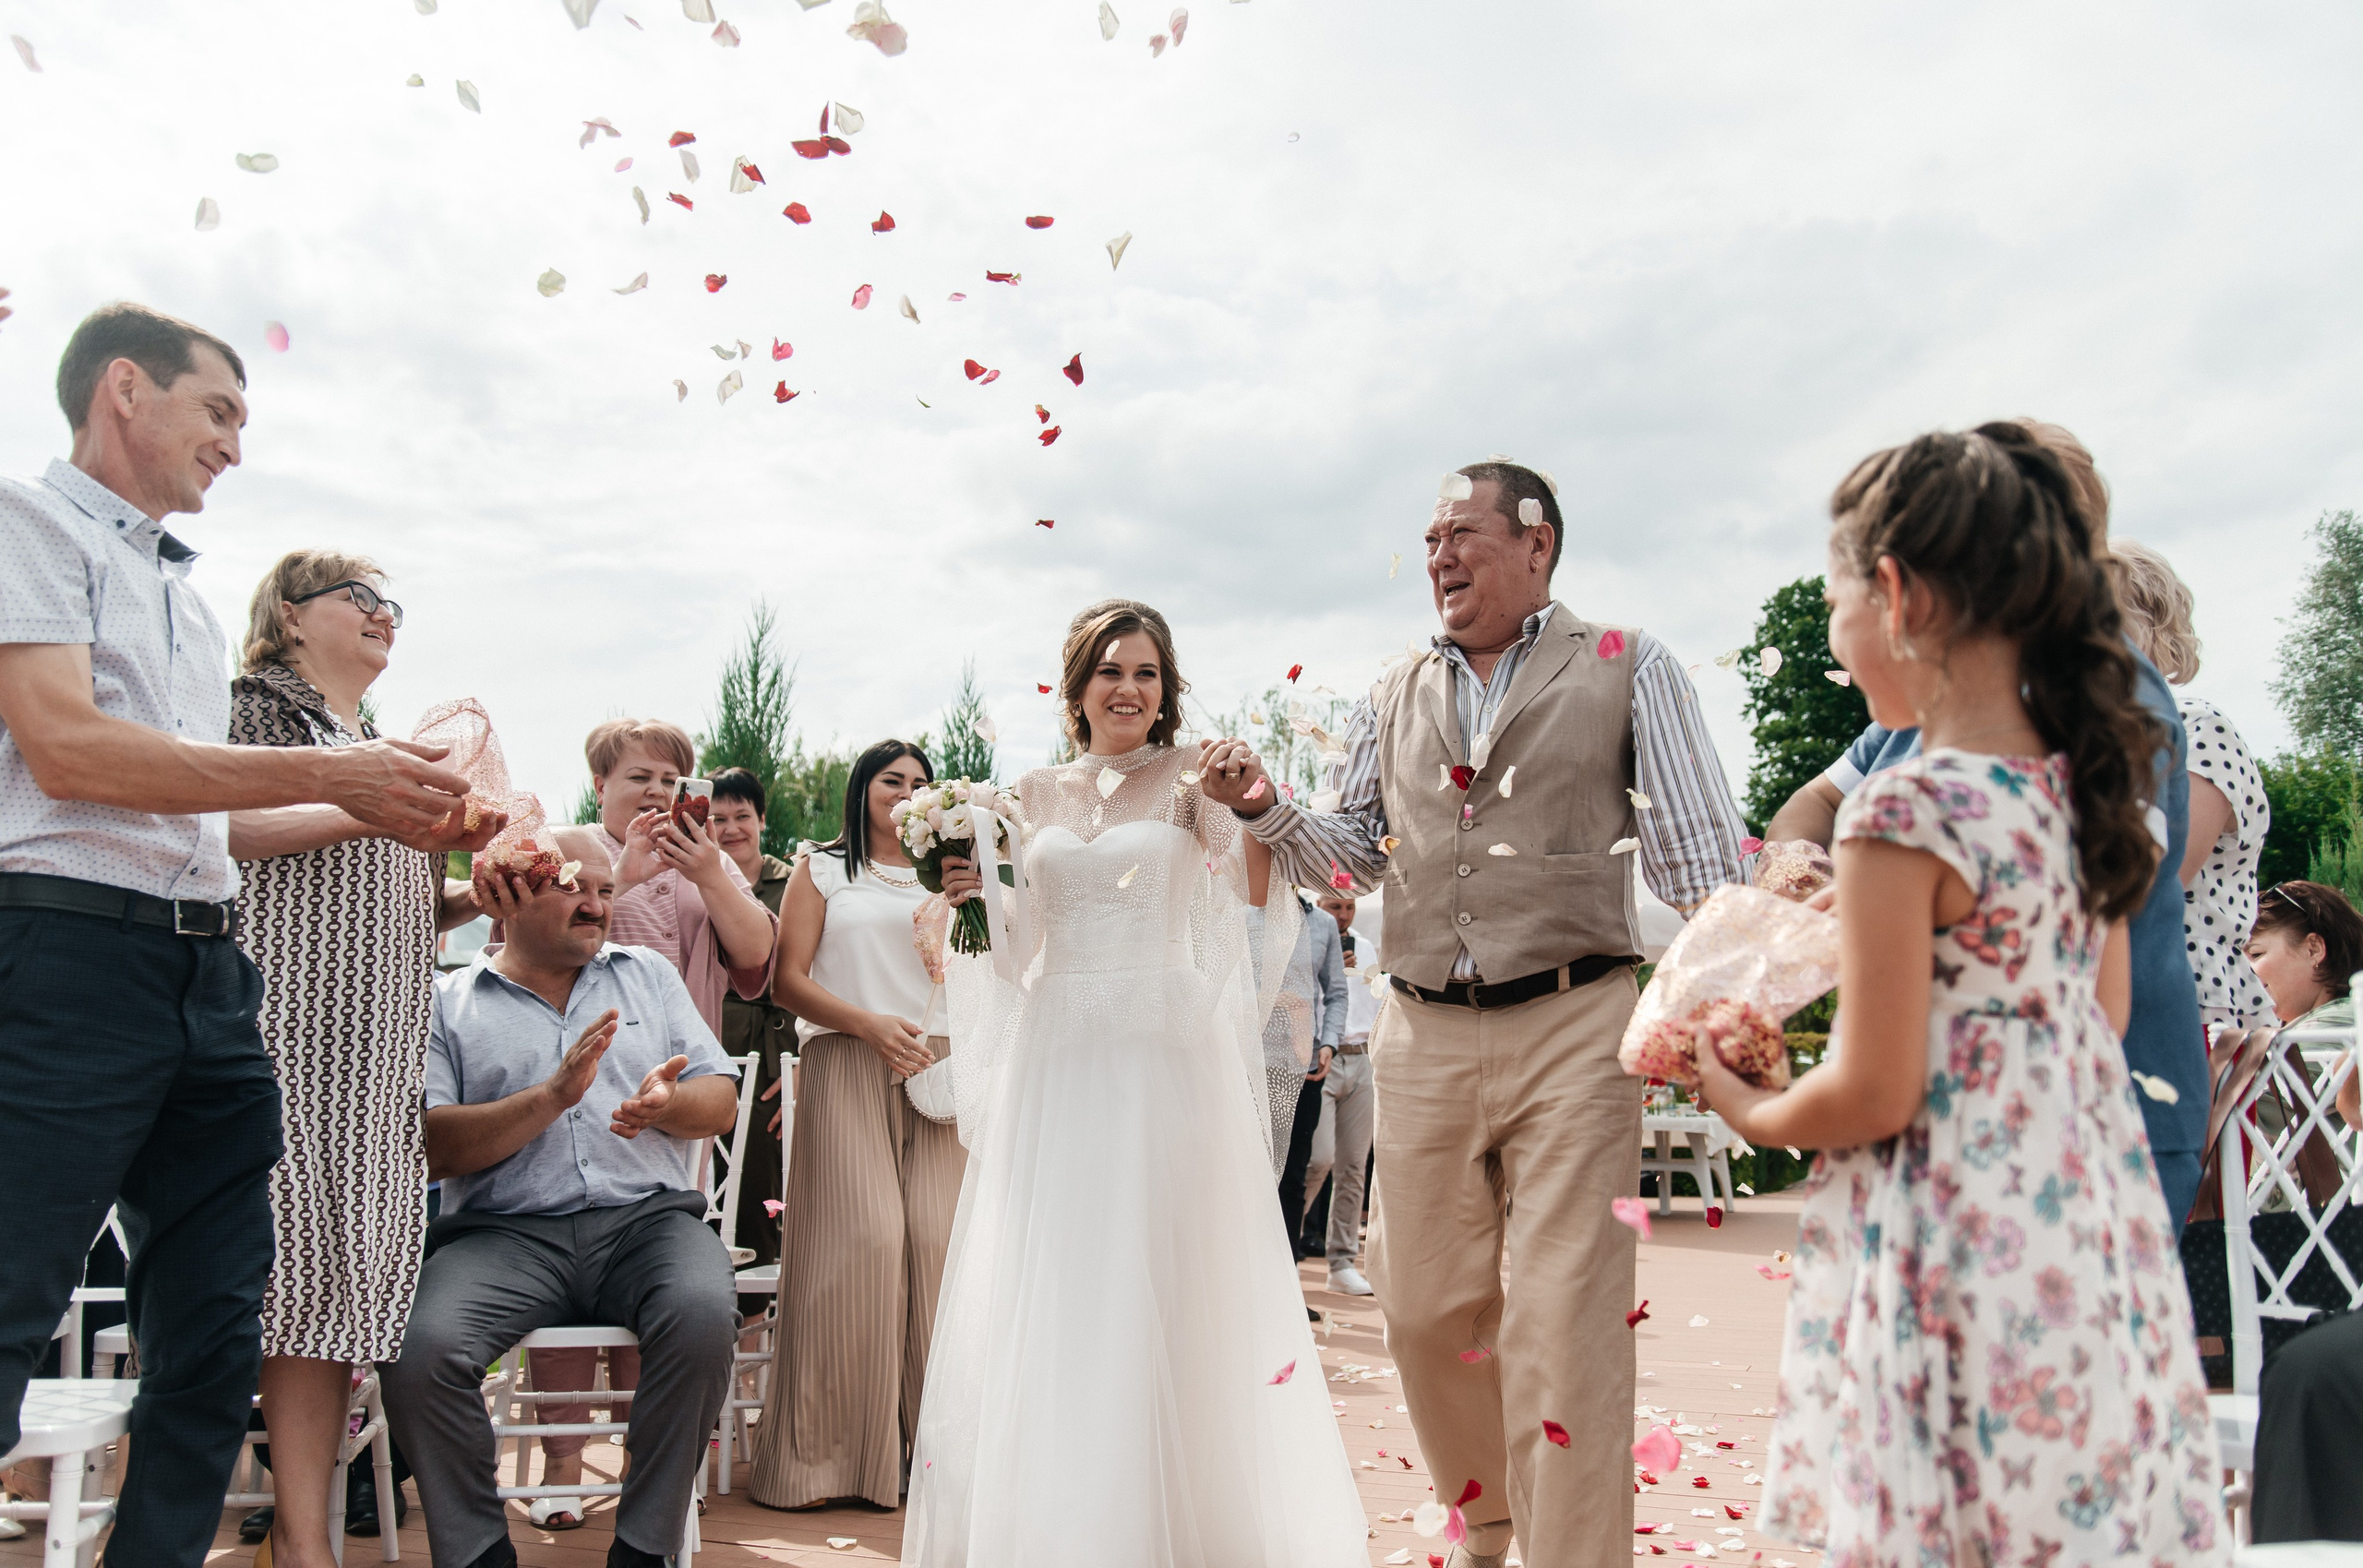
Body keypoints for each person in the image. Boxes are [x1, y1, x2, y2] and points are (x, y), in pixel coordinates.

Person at [1203, 461, 1751, 1565]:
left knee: (1565, 1321)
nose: (1438, 556)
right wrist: (1264, 807)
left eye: (1461, 533)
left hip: (1574, 1022)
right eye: (1429, 540)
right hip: (1419, 1031)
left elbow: (1698, 855)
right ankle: (1487, 1521)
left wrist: (1735, 995)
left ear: (1537, 543)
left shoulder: (1629, 664)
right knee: (1422, 1312)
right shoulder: (1391, 688)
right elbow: (1354, 858)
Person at [0, 303, 477, 1568]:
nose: (234, 445)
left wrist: (410, 828)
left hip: (209, 977)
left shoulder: (189, 600)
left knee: (215, 1333)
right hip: (65, 953)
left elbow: (198, 815)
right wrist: (350, 789)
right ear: (124, 392)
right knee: (12, 1296)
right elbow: (65, 746)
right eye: (219, 411)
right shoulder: (26, 525)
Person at [1698, 423, 2222, 1563]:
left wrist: (1748, 1106)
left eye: (1837, 592)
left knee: (1947, 1500)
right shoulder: (2084, 791)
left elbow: (1877, 1091)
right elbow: (2108, 1018)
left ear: (1895, 595)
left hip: (1950, 1232)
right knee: (2060, 1494)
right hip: (2079, 1219)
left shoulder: (1904, 811)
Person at [903, 600, 1366, 1566]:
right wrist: (973, 898)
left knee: (1171, 1274)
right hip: (1060, 1056)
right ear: (1077, 687)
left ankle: (1192, 1525)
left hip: (1163, 1056)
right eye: (1111, 670)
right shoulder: (1026, 794)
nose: (1129, 687)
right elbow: (1021, 947)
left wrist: (1248, 801)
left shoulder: (1197, 781)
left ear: (1168, 688)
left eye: (1148, 672)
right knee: (1068, 1282)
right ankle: (1068, 1526)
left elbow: (1249, 898)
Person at [1762, 420, 2213, 1229]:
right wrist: (1806, 864)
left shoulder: (2116, 687)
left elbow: (2061, 894)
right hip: (2031, 1121)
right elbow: (1819, 804)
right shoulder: (1932, 712)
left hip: (2101, 1110)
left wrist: (1750, 1097)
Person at [226, 551, 495, 1565]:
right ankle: (300, 1537)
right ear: (290, 618)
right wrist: (370, 801)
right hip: (289, 1042)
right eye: (361, 599)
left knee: (334, 1306)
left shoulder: (370, 740)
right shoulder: (260, 709)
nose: (386, 616)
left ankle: (309, 1530)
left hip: (376, 1062)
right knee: (282, 1293)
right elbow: (229, 827)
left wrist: (478, 897)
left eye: (394, 605)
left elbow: (397, 899)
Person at [381, 827, 741, 1568]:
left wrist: (666, 1106)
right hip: (500, 1237)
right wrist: (550, 1097)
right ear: (509, 895)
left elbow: (720, 1101)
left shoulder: (646, 973)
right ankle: (478, 1551)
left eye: (607, 890)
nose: (596, 903)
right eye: (576, 885)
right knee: (419, 1349)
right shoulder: (446, 1002)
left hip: (646, 1226)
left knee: (705, 1314)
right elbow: (433, 1146)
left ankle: (643, 1547)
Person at [525, 720, 774, 1522]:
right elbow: (525, 943)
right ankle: (563, 1463)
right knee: (562, 1279)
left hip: (677, 1099)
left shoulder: (705, 864)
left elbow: (755, 958)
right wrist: (623, 874)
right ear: (601, 784)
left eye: (670, 781)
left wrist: (710, 871)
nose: (658, 794)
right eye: (640, 777)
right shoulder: (568, 852)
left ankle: (646, 1463)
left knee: (657, 1281)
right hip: (567, 1092)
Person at [748, 739, 967, 1513]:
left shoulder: (957, 874)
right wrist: (869, 1026)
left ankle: (935, 1454)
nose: (905, 791)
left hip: (941, 1067)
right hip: (847, 1057)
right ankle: (833, 1459)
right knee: (867, 1240)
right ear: (863, 789)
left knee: (939, 1240)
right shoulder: (821, 867)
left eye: (918, 782)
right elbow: (787, 980)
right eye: (890, 779)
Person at [2109, 539, 2278, 1033]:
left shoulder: (2197, 728)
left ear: (2151, 623)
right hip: (2114, 983)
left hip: (2188, 992)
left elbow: (2161, 878)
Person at [2247, 880, 2363, 1542]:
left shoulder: (2293, 1050)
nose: (2245, 971)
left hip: (2307, 1264)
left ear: (2314, 948)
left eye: (2257, 954)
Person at [709, 766, 797, 1269]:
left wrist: (798, 1073)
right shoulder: (692, 879)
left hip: (773, 1060)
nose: (730, 828)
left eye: (742, 815)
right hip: (709, 1044)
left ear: (761, 818)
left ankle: (757, 1323)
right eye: (717, 817)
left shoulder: (791, 883)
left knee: (762, 1195)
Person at [1300, 891, 1379, 1294]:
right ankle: (1291, 1238)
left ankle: (1342, 1262)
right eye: (1335, 906)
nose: (1344, 914)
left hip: (1362, 1058)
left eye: (1349, 907)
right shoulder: (1314, 937)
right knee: (1319, 1160)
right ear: (1321, 905)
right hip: (1324, 1058)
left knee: (1353, 1167)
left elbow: (1376, 1004)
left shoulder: (1367, 948)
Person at [1275, 888, 1348, 1220]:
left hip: (1304, 1067)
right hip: (1249, 1065)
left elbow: (1336, 992)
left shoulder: (1323, 923)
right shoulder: (1239, 912)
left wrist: (1330, 1043)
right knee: (1249, 1171)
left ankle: (1287, 1269)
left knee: (1294, 1178)